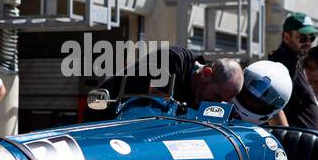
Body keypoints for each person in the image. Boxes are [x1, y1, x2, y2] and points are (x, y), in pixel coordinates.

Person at [97, 45, 243, 108]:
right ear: (206, 74)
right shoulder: (172, 61)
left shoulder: (200, 96)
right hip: (102, 117)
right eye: (217, 96)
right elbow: (155, 107)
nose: (216, 103)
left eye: (222, 101)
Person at [267, 12, 318, 132]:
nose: (308, 43)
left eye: (312, 38)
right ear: (286, 37)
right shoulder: (280, 65)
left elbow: (309, 105)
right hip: (296, 141)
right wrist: (286, 138)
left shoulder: (298, 62)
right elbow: (273, 108)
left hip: (311, 138)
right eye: (303, 38)